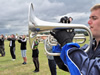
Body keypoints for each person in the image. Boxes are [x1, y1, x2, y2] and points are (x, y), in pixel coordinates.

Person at [50, 4, 100, 75]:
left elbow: (90, 72)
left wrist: (66, 41)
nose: (88, 22)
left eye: (94, 18)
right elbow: (66, 65)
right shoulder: (89, 47)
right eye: (90, 18)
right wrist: (61, 42)